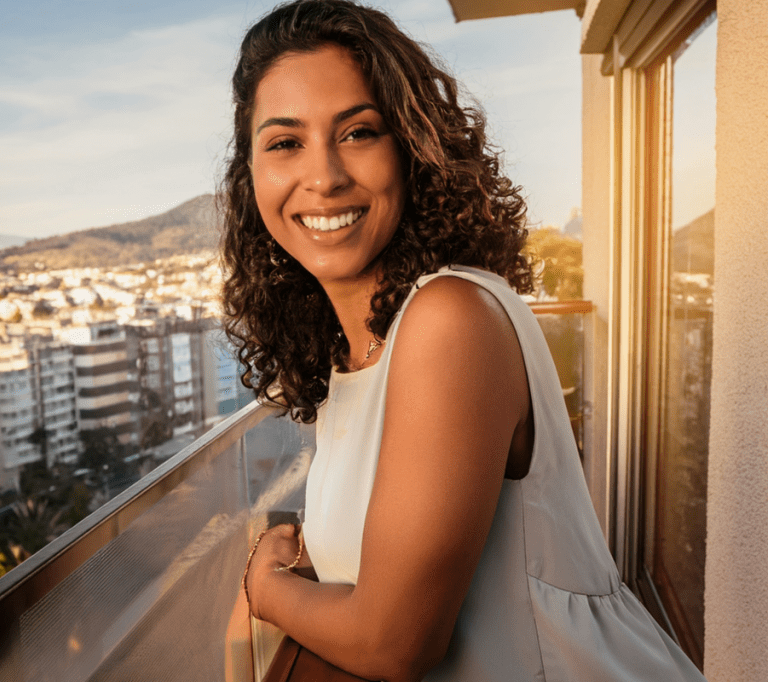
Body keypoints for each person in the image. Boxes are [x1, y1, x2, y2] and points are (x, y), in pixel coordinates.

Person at [219, 1, 708, 681]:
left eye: (358, 132)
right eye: (284, 142)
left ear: (413, 148)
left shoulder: (449, 318)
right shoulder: (359, 347)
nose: (324, 175)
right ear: (250, 177)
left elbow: (392, 643)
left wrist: (263, 586)